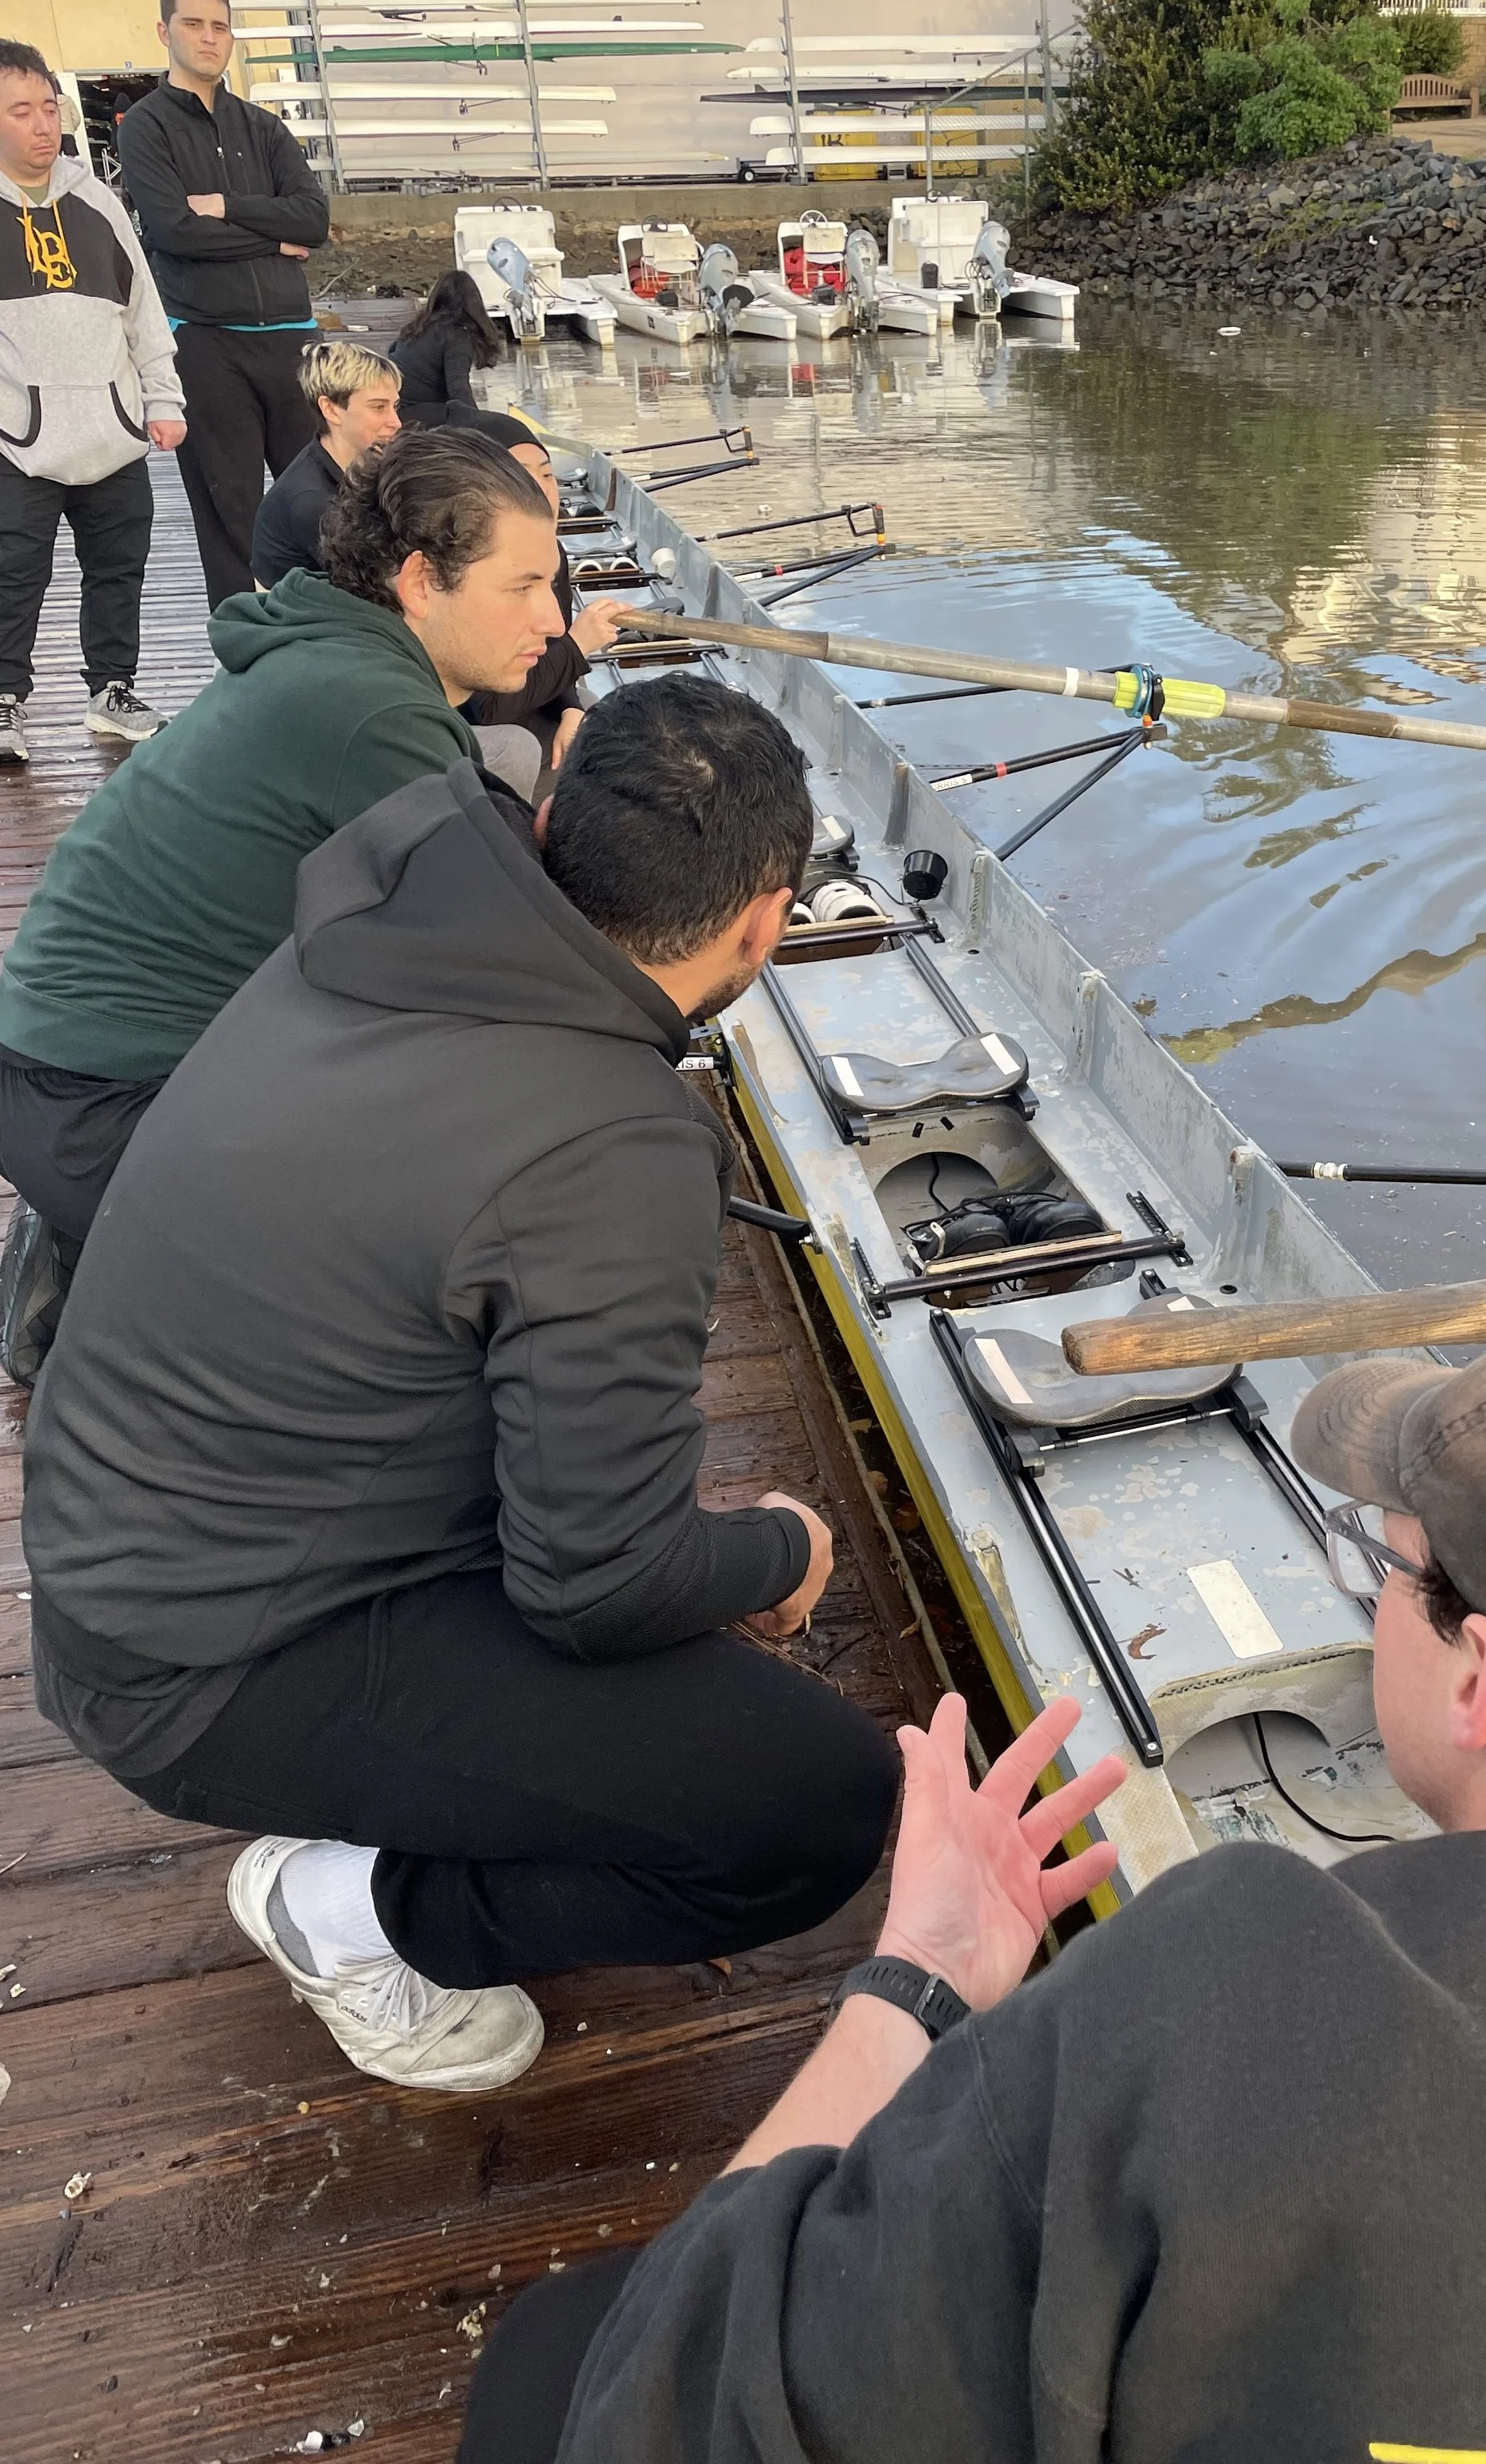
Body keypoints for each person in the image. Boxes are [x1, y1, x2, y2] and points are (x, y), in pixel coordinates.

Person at [455, 1320, 1486, 2464]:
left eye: (1381, 1564)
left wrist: (914, 1979)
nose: (1368, 1591)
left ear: (1480, 1679)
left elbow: (663, 2403)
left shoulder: (1254, 1978)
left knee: (552, 2364)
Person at [26, 673, 899, 2099]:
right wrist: (777, 1548)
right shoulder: (610, 1147)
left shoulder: (377, 919)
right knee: (815, 1801)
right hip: (199, 1669)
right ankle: (347, 1913)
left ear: (549, 819)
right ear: (766, 923)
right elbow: (601, 1582)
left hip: (120, 1553)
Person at [0, 427, 562, 1333]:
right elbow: (523, 965)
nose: (555, 620)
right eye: (524, 586)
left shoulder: (328, 651)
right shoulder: (374, 709)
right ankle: (114, 1279)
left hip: (55, 1067)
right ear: (422, 581)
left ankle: (102, 1242)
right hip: (106, 1108)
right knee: (441, 1224)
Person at [117, 0, 328, 609]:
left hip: (292, 339)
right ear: (165, 32)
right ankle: (243, 644)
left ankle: (331, 632)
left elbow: (313, 220)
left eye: (220, 26)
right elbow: (174, 232)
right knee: (229, 510)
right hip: (207, 341)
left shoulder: (264, 128)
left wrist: (227, 206)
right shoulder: (145, 127)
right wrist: (272, 239)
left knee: (324, 503)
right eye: (193, 24)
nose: (210, 38)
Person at [0, 38, 183, 764]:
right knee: (14, 575)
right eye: (21, 111)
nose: (43, 124)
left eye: (50, 108)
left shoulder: (98, 201)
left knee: (118, 569)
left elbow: (143, 313)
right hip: (19, 441)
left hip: (113, 432)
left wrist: (163, 401)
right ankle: (4, 698)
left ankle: (113, 689)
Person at [457, 410, 627, 779]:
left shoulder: (552, 554)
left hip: (520, 697)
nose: (541, 488)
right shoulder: (472, 567)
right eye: (522, 475)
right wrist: (577, 645)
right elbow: (487, 709)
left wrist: (570, 707)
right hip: (469, 721)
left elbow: (552, 647)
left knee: (592, 715)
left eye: (547, 474)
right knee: (517, 748)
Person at [249, 338, 400, 588]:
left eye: (395, 406)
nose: (396, 422)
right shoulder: (311, 500)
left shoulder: (354, 464)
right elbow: (374, 585)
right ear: (330, 409)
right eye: (378, 407)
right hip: (298, 608)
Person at [392, 269, 504, 427]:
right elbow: (458, 390)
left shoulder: (417, 327)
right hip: (420, 415)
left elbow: (392, 353)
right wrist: (478, 425)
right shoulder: (457, 335)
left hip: (398, 407)